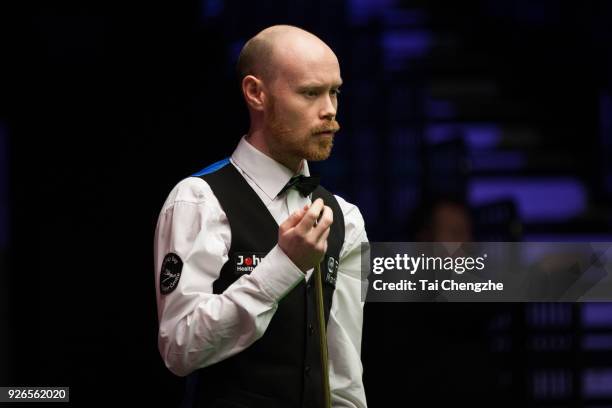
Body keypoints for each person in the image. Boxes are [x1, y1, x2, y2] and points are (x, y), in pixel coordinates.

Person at [154, 25, 368, 408]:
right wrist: (283, 265)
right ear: (256, 93)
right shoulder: (199, 199)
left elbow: (344, 374)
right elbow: (180, 348)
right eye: (310, 92)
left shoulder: (345, 217)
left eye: (334, 91)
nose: (330, 110)